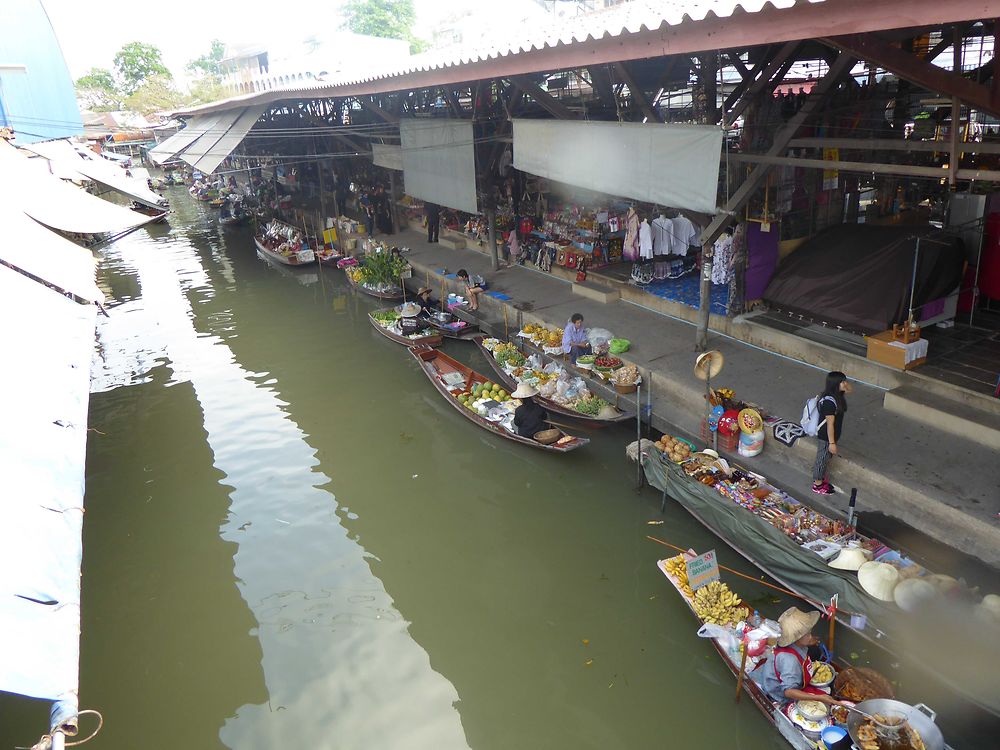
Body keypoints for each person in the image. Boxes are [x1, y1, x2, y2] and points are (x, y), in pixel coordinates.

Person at [753, 607, 850, 708]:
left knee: (815, 650)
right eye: (807, 634)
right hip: (778, 692)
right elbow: (788, 691)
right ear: (796, 639)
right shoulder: (790, 661)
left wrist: (809, 641)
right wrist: (819, 698)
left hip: (780, 674)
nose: (810, 636)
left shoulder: (796, 644)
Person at [812, 371, 851, 495]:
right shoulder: (829, 402)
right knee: (822, 458)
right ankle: (817, 484)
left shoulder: (837, 394)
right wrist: (832, 443)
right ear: (836, 384)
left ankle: (821, 477)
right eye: (843, 382)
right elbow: (830, 424)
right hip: (826, 436)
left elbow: (850, 390)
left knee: (826, 457)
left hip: (832, 434)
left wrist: (844, 384)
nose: (845, 384)